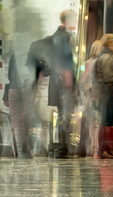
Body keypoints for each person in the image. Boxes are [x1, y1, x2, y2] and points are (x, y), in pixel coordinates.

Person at [47, 9, 77, 159]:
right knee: (65, 116)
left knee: (61, 115)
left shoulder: (53, 37)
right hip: (65, 83)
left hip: (56, 83)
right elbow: (68, 62)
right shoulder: (66, 37)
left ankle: (61, 146)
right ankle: (61, 148)